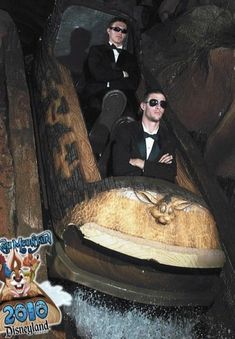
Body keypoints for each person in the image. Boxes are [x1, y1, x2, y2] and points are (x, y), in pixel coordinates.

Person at [82, 16, 140, 158]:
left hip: (125, 98)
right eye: (116, 29)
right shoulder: (96, 51)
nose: (120, 33)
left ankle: (111, 152)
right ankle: (98, 146)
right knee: (105, 106)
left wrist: (110, 81)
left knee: (128, 116)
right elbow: (97, 74)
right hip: (98, 94)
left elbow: (133, 83)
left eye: (124, 31)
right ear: (108, 30)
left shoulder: (131, 58)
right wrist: (121, 74)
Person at [111, 89, 177, 182]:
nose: (158, 107)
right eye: (153, 102)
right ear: (143, 106)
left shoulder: (168, 138)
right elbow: (119, 169)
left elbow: (170, 173)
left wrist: (140, 163)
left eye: (163, 104)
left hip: (154, 193)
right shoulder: (126, 130)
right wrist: (156, 168)